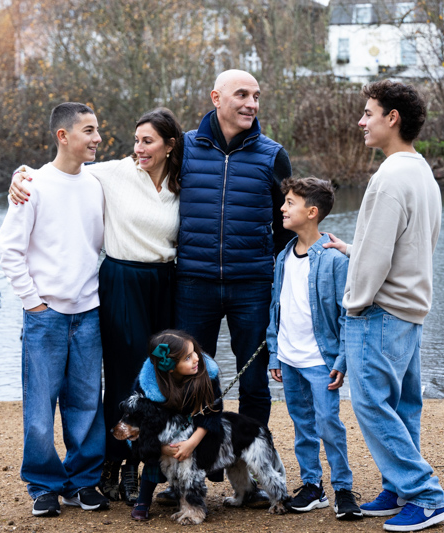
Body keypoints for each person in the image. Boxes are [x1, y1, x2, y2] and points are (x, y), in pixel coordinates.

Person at [8, 108, 183, 505]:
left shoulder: (177, 181)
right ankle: (67, 479)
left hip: (137, 292)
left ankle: (96, 476)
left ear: (170, 146)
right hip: (103, 290)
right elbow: (50, 179)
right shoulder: (106, 174)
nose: (136, 147)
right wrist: (19, 176)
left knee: (104, 394)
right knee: (74, 395)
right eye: (90, 131)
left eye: (147, 141)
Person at [161, 68, 294, 506]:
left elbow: (286, 223)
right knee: (188, 380)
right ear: (216, 97)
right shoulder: (183, 147)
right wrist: (29, 174)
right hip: (194, 282)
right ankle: (184, 473)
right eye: (242, 94)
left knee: (254, 382)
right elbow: (133, 173)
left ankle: (251, 479)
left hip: (252, 285)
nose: (252, 103)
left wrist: (273, 264)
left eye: (257, 95)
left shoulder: (273, 155)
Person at [323, 80, 444, 531]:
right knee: (403, 406)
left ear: (391, 118)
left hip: (379, 313)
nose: (362, 121)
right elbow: (409, 245)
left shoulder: (388, 177)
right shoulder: (420, 172)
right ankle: (399, 488)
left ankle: (427, 496)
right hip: (409, 310)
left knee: (373, 406)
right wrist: (353, 249)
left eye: (369, 112)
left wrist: (352, 307)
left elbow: (377, 259)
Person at [0, 102, 110, 517]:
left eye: (97, 130)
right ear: (63, 136)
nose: (97, 138)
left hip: (89, 311)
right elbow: (10, 248)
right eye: (89, 130)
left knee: (86, 403)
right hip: (45, 315)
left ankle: (82, 482)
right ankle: (43, 485)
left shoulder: (97, 181)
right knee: (40, 407)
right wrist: (34, 302)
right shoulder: (33, 184)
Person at [265, 176, 361, 521]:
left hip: (321, 361)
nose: (282, 208)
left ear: (312, 212)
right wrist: (275, 353)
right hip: (289, 359)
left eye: (290, 202)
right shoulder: (283, 257)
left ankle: (344, 489)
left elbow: (347, 314)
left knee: (328, 424)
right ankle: (312, 487)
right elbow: (276, 308)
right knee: (302, 424)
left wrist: (342, 359)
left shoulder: (334, 260)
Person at [127, 330, 224, 521]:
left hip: (196, 432)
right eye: (188, 357)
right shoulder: (146, 385)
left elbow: (212, 414)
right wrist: (161, 448)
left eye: (195, 351)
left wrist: (192, 443)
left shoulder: (206, 376)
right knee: (152, 460)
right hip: (159, 434)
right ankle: (143, 500)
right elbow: (138, 421)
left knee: (194, 462)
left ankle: (191, 499)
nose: (197, 358)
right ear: (170, 367)